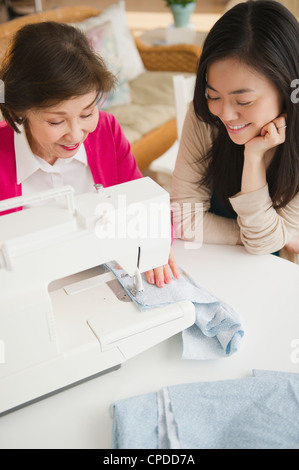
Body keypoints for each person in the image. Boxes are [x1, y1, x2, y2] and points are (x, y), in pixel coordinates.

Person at [0, 21, 179, 286]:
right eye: (55, 122)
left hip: (97, 281)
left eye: (87, 113)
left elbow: (142, 203)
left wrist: (154, 243)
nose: (75, 135)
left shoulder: (106, 131)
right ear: (19, 112)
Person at [171, 0, 299, 263]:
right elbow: (183, 218)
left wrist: (253, 158)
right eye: (213, 95)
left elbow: (265, 245)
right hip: (217, 263)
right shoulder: (204, 117)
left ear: (286, 88)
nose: (226, 115)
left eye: (244, 102)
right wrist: (273, 234)